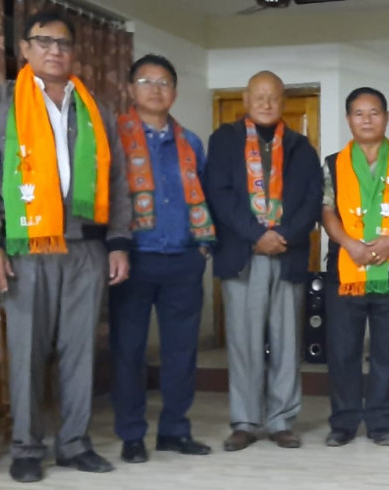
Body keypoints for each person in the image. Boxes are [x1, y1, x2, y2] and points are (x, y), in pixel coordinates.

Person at [0, 11, 132, 483]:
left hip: (86, 247)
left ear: (73, 52)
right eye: (44, 41)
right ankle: (25, 446)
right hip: (25, 246)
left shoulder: (93, 106)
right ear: (24, 48)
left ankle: (74, 444)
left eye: (63, 43)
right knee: (27, 351)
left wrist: (118, 242)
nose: (54, 50)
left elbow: (116, 179)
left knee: (80, 350)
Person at [202, 70, 323, 452]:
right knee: (243, 341)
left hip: (287, 254)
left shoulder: (301, 146)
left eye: (274, 97)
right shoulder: (224, 140)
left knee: (287, 342)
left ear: (283, 100)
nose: (267, 104)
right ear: (246, 98)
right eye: (260, 97)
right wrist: (257, 235)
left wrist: (281, 236)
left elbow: (311, 200)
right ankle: (245, 420)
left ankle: (282, 420)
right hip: (243, 253)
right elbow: (219, 195)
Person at [110, 54, 213, 464]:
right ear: (131, 89)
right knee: (129, 351)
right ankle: (132, 434)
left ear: (174, 91)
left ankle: (174, 429)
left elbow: (203, 193)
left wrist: (204, 243)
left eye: (164, 82)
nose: (156, 89)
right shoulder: (114, 136)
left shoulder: (190, 142)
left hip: (184, 260)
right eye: (146, 81)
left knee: (181, 352)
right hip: (132, 259)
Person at [321, 87, 389, 447]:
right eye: (359, 113)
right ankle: (343, 423)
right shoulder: (333, 164)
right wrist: (348, 244)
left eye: (374, 112)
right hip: (345, 271)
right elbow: (327, 210)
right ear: (349, 119)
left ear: (387, 117)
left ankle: (380, 422)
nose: (367, 119)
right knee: (343, 350)